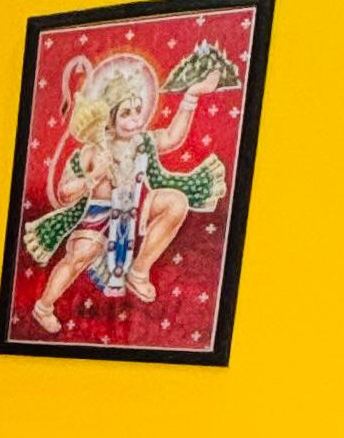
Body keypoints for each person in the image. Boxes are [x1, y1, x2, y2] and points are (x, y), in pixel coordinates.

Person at [20, 40, 235, 336]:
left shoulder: (141, 141)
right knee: (78, 257)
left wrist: (191, 95)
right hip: (100, 214)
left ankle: (139, 271)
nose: (135, 120)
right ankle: (44, 307)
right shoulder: (92, 150)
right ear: (110, 118)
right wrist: (93, 176)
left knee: (176, 201)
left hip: (135, 205)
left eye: (137, 111)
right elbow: (65, 193)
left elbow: (172, 138)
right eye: (126, 114)